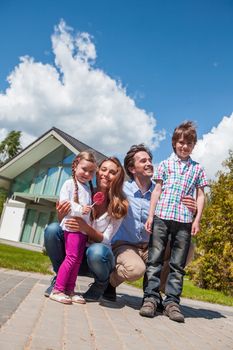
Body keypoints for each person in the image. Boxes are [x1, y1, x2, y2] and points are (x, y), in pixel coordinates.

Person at [103, 144, 197, 304]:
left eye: (150, 160)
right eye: (143, 161)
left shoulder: (162, 191)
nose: (149, 163)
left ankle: (153, 290)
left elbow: (178, 214)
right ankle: (109, 282)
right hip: (125, 245)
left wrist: (192, 210)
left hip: (152, 246)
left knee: (188, 248)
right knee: (135, 270)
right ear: (132, 168)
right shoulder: (121, 190)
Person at [140, 121, 209, 322]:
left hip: (184, 222)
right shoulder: (164, 165)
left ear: (194, 145)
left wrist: (197, 219)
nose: (184, 146)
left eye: (189, 143)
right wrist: (151, 216)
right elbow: (157, 191)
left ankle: (171, 302)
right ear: (174, 143)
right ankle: (151, 298)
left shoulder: (198, 169)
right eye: (181, 142)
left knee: (178, 264)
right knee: (155, 259)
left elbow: (201, 196)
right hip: (162, 217)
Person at [44, 157, 128, 302]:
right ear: (97, 172)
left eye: (112, 172)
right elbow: (68, 223)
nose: (106, 174)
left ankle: (100, 285)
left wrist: (85, 228)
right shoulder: (86, 192)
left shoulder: (119, 205)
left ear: (118, 177)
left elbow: (106, 239)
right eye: (103, 169)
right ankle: (60, 282)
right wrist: (61, 213)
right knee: (52, 229)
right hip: (75, 248)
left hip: (95, 260)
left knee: (97, 251)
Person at [49, 151, 97, 304]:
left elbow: (86, 212)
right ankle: (57, 289)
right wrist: (80, 209)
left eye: (91, 172)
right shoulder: (68, 184)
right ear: (75, 165)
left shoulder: (88, 188)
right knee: (71, 258)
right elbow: (65, 203)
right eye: (84, 169)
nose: (87, 173)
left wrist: (89, 212)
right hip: (71, 228)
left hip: (82, 231)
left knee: (76, 261)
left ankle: (70, 289)